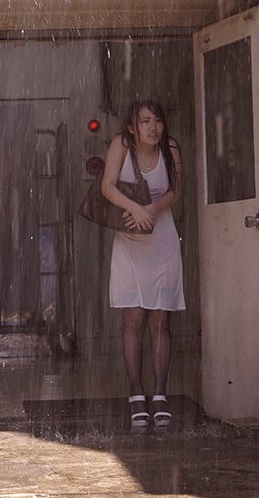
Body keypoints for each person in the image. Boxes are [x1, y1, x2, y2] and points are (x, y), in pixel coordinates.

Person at [100, 100, 185, 430]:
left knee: (160, 320)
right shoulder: (121, 145)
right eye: (146, 121)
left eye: (158, 120)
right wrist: (134, 208)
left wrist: (150, 209)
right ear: (132, 127)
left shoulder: (170, 148)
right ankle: (136, 392)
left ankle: (160, 393)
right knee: (134, 317)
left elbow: (175, 191)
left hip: (163, 243)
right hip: (129, 243)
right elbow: (107, 186)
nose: (153, 127)